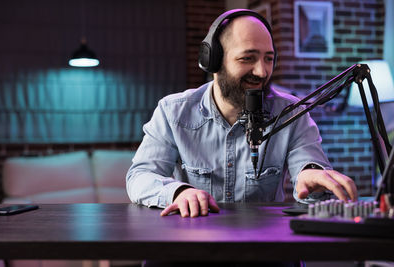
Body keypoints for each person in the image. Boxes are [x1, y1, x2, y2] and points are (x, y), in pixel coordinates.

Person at [126, 9, 357, 218]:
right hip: (193, 244)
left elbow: (309, 167)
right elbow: (140, 177)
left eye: (269, 58)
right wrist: (177, 192)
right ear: (213, 61)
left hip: (264, 248)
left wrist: (311, 177)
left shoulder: (291, 113)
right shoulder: (173, 112)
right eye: (248, 58)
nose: (262, 71)